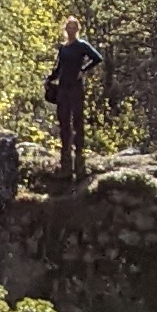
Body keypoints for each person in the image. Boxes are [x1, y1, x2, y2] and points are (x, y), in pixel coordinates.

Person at [42, 18, 109, 187]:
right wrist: (49, 79)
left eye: (73, 28)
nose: (71, 31)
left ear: (77, 29)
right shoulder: (63, 48)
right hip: (63, 87)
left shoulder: (81, 45)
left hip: (76, 88)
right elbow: (58, 69)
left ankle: (79, 152)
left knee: (77, 119)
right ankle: (65, 152)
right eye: (68, 28)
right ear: (65, 29)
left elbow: (97, 58)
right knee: (63, 120)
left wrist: (83, 70)